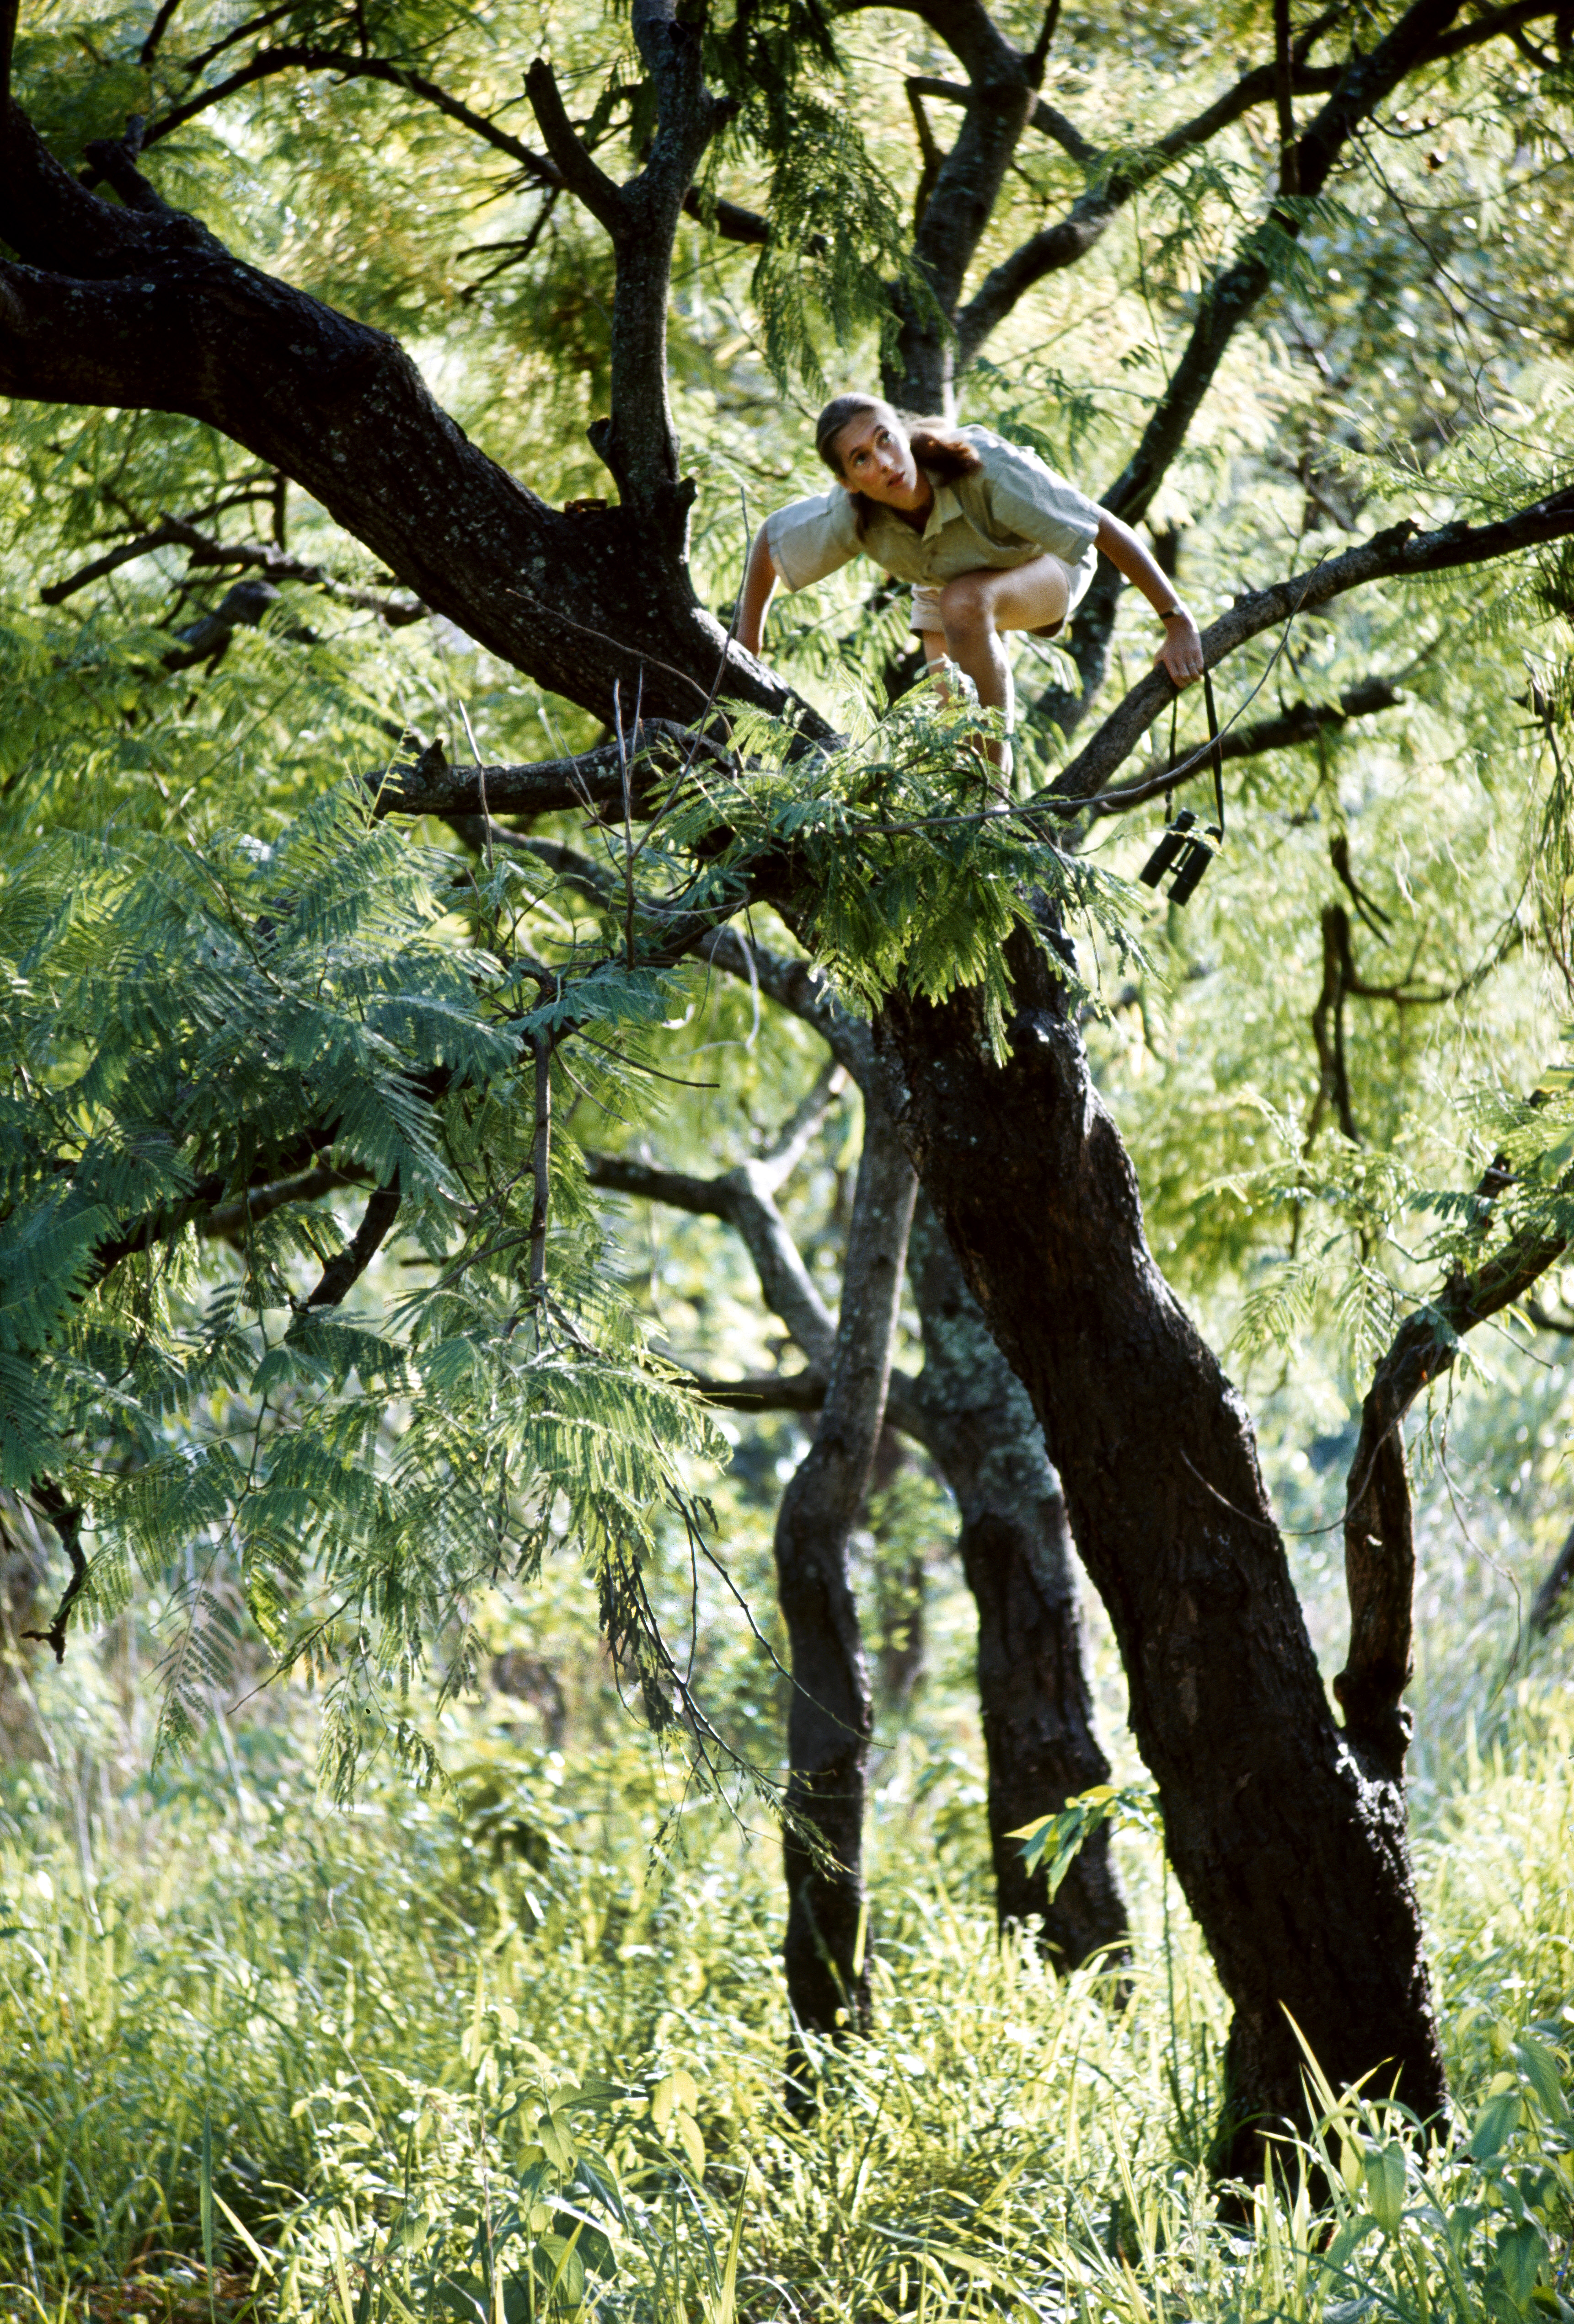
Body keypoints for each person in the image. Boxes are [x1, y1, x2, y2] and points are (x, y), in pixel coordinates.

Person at [736, 393, 1205, 769]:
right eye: (860, 458)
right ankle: (971, 808)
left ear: (904, 433)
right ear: (848, 482)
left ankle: (993, 806)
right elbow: (770, 544)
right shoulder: (849, 515)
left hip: (1047, 562)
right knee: (958, 729)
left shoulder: (986, 466)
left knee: (963, 602)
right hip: (945, 580)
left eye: (885, 439)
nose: (882, 461)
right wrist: (747, 649)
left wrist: (1176, 620)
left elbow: (1100, 526)